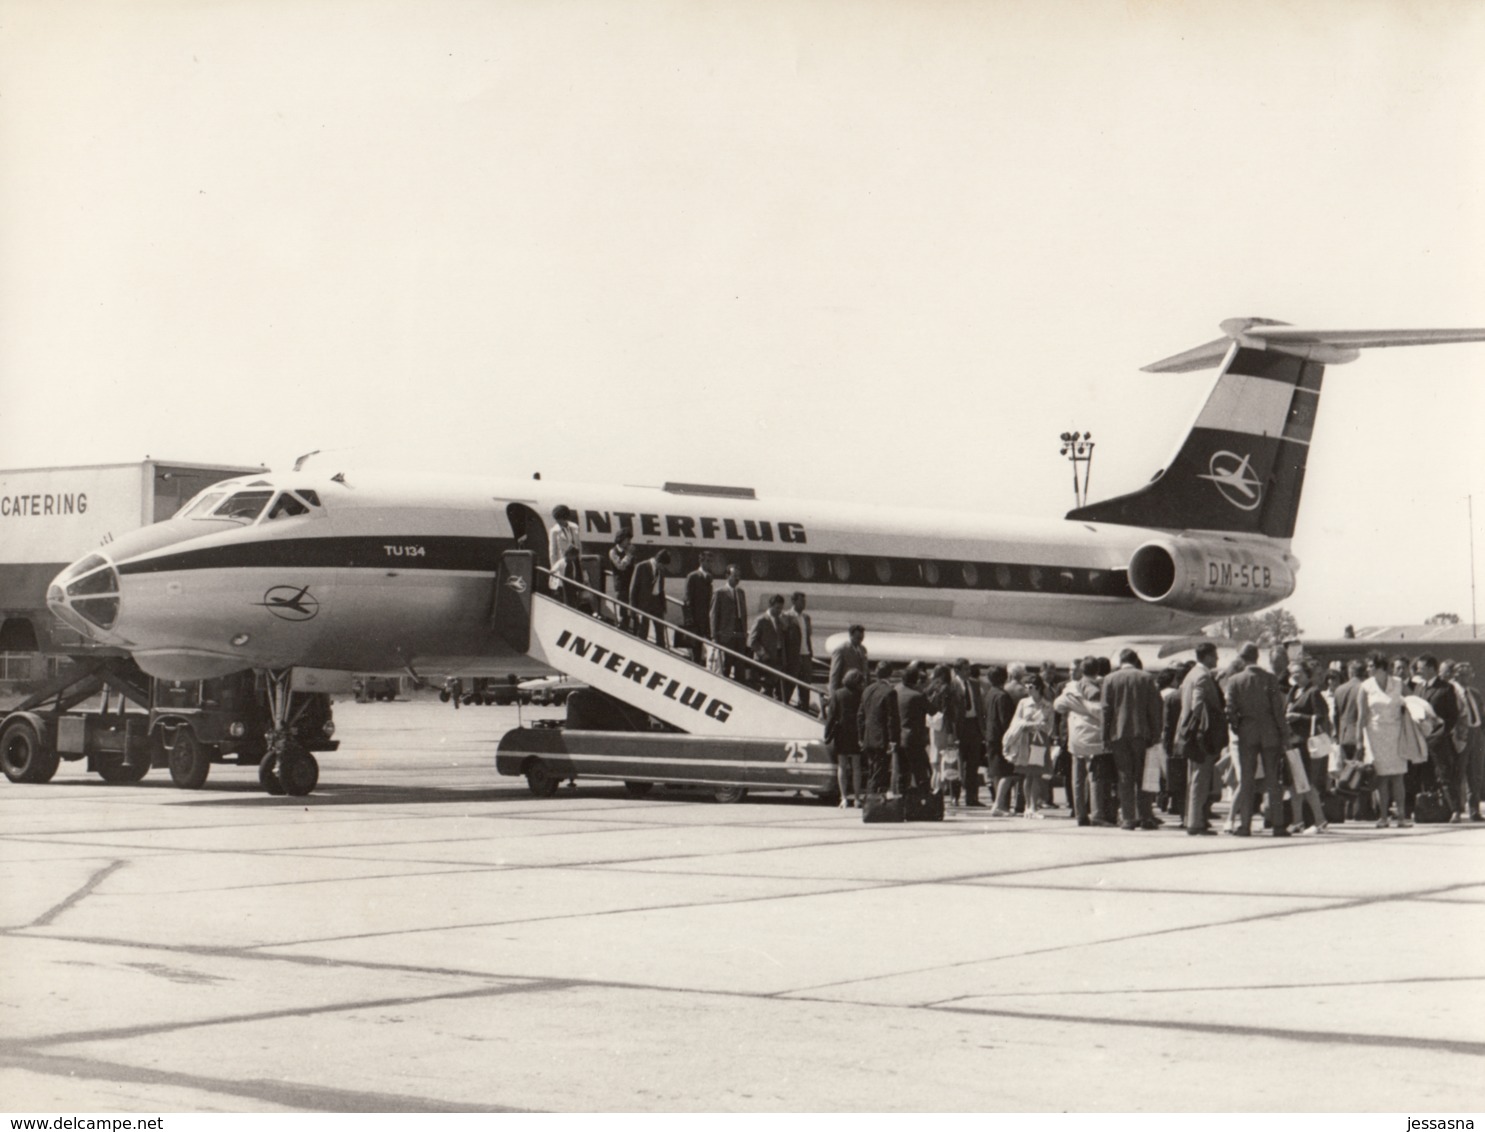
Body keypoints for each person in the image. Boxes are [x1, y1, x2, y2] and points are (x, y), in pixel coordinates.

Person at [1224, 642, 1290, 837]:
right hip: (1269, 733)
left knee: (1246, 781)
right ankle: (1278, 824)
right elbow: (1277, 709)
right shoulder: (1269, 679)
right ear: (1256, 657)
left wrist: (1238, 728)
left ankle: (1245, 825)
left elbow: (1230, 710)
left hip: (1247, 733)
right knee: (1272, 780)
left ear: (1242, 658)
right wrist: (1283, 734)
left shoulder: (1235, 680)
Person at [1101, 648, 1164, 830]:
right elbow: (1155, 708)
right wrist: (1156, 733)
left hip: (1118, 733)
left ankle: (1128, 818)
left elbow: (1106, 709)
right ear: (1136, 660)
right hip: (1141, 733)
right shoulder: (1146, 678)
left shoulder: (1110, 679)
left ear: (1120, 661)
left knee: (1124, 776)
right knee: (1143, 776)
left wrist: (1104, 736)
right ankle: (1145, 816)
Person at [1176, 641, 1226, 835]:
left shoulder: (1191, 674)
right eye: (1215, 655)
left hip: (1190, 734)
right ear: (1206, 657)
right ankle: (1196, 823)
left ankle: (1193, 818)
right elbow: (1197, 704)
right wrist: (1202, 725)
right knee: (1200, 778)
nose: (1217, 659)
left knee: (1194, 778)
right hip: (1201, 735)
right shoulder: (1203, 676)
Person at [1356, 651, 1410, 827]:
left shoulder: (1398, 683)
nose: (1368, 669)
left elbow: (1413, 702)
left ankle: (1401, 816)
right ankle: (1384, 816)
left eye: (1371, 665)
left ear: (1381, 667)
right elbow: (1361, 716)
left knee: (1398, 776)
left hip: (1396, 733)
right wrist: (1359, 741)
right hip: (1375, 734)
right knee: (1381, 777)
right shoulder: (1365, 686)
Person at [1055, 658, 1110, 826]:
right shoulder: (1101, 687)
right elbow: (1102, 712)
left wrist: (1077, 705)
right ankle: (1097, 815)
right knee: (1095, 778)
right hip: (1094, 738)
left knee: (1077, 779)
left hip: (1076, 737)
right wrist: (1085, 705)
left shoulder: (1070, 688)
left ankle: (1080, 815)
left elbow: (1058, 705)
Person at [1284, 660, 1331, 833]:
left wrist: (1299, 716)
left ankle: (1319, 819)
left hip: (1304, 743)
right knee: (1295, 784)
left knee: (1305, 783)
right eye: (1292, 673)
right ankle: (1298, 820)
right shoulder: (1293, 691)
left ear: (1306, 673)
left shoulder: (1313, 692)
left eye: (1298, 673)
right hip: (1292, 742)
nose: (1295, 676)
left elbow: (1321, 716)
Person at [1416, 654, 1463, 821]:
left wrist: (1441, 733)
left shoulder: (1446, 688)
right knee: (1426, 777)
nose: (1418, 671)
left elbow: (1453, 716)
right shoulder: (1420, 689)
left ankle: (1455, 810)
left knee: (1445, 776)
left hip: (1439, 740)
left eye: (1421, 668)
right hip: (1422, 740)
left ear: (1431, 668)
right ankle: (1433, 811)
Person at [1003, 675, 1055, 817]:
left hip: (1040, 741)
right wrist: (1032, 725)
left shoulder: (1047, 705)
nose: (1028, 689)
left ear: (1038, 688)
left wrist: (1037, 726)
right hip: (1025, 741)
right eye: (1026, 686)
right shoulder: (1023, 703)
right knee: (1027, 774)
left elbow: (1049, 726)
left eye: (1030, 687)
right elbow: (1016, 722)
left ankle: (1034, 806)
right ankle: (1028, 806)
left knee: (1037, 774)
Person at [858, 661, 900, 795]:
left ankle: (872, 798)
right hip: (882, 738)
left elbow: (860, 715)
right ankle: (872, 801)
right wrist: (893, 740)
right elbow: (891, 718)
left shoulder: (867, 690)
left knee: (872, 769)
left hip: (868, 737)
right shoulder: (890, 692)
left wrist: (861, 736)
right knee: (879, 771)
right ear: (890, 674)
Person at [825, 668, 865, 808]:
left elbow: (831, 715)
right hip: (856, 733)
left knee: (842, 766)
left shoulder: (838, 694)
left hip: (841, 732)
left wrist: (827, 733)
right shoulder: (861, 694)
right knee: (856, 766)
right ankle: (858, 798)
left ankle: (844, 798)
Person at [983, 665, 1018, 816]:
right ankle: (998, 805)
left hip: (990, 736)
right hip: (1001, 737)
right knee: (1007, 773)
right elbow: (1006, 720)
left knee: (997, 773)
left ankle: (1001, 805)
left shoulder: (989, 694)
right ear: (1006, 678)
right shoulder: (1003, 696)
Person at [895, 665, 934, 792]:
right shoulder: (917, 696)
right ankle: (925, 799)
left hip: (899, 737)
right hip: (915, 738)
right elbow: (933, 710)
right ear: (916, 681)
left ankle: (902, 798)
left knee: (902, 771)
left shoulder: (896, 690)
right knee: (921, 771)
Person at [953, 660, 986, 807]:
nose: (968, 672)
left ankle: (972, 797)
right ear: (957, 671)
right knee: (956, 763)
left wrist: (982, 728)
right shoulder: (952, 685)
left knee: (973, 764)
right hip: (960, 727)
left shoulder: (975, 684)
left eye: (969, 669)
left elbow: (979, 706)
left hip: (974, 725)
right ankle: (955, 796)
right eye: (965, 669)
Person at [710, 564, 748, 682]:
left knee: (740, 668)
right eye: (734, 575)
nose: (737, 578)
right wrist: (714, 636)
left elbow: (744, 613)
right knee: (725, 666)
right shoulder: (720, 593)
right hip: (726, 636)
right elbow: (714, 615)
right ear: (727, 576)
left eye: (739, 576)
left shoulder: (741, 593)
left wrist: (745, 632)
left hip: (740, 635)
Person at [628, 548, 672, 649]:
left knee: (660, 629)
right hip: (643, 603)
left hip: (656, 602)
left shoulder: (660, 570)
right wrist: (632, 608)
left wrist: (663, 605)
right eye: (663, 565)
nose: (664, 568)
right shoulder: (641, 567)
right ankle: (641, 650)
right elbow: (633, 588)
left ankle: (661, 650)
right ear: (659, 561)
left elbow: (661, 588)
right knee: (643, 629)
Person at [748, 594, 790, 699]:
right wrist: (763, 653)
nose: (779, 611)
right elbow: (752, 641)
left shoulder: (779, 621)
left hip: (778, 660)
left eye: (781, 608)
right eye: (777, 608)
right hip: (765, 661)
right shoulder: (761, 620)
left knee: (777, 689)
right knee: (765, 689)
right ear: (770, 606)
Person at [783, 593, 816, 712]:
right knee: (790, 685)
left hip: (806, 654)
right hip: (794, 656)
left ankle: (804, 709)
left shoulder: (806, 617)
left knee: (805, 686)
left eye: (804, 601)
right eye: (801, 601)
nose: (803, 604)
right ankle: (783, 708)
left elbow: (808, 636)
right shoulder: (786, 616)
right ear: (793, 601)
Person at [547, 504, 584, 608]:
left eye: (560, 519)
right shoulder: (554, 531)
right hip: (563, 563)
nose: (558, 522)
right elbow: (552, 551)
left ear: (565, 517)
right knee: (564, 589)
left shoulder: (575, 527)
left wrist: (579, 560)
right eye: (557, 519)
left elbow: (579, 545)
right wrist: (554, 569)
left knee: (576, 587)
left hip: (575, 561)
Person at [681, 556, 714, 663]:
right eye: (707, 561)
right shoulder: (692, 576)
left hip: (705, 620)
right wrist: (689, 619)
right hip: (694, 620)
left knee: (700, 649)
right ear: (701, 561)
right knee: (695, 650)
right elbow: (686, 599)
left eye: (710, 562)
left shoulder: (709, 578)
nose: (709, 564)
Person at [607, 528, 636, 631]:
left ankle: (631, 626)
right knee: (623, 608)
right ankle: (622, 627)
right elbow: (620, 566)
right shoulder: (613, 552)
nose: (629, 542)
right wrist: (629, 555)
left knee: (632, 607)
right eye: (627, 540)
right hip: (621, 584)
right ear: (621, 539)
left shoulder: (629, 551)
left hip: (631, 583)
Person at [829, 625, 869, 696]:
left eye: (862, 638)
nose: (860, 641)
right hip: (846, 690)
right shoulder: (841, 650)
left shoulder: (863, 649)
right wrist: (832, 695)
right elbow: (834, 674)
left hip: (860, 690)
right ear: (851, 636)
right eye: (858, 638)